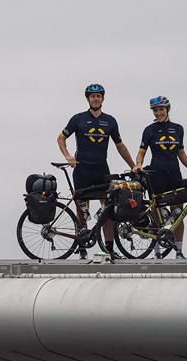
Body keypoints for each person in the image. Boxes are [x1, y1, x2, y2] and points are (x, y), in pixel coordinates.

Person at [58, 83, 136, 259]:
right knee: (82, 208)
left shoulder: (110, 121)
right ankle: (82, 246)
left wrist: (133, 166)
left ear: (103, 99)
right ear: (88, 99)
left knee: (108, 209)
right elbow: (61, 138)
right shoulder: (78, 119)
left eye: (98, 96)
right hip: (82, 169)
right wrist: (68, 156)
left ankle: (109, 248)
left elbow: (120, 146)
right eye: (92, 96)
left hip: (101, 169)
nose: (95, 99)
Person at [133, 96, 187, 259]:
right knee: (157, 214)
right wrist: (138, 164)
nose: (158, 113)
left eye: (161, 110)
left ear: (168, 110)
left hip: (174, 174)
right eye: (155, 111)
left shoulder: (178, 129)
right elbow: (142, 151)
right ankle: (157, 253)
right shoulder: (149, 130)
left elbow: (181, 152)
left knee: (178, 213)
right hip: (156, 174)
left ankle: (178, 251)